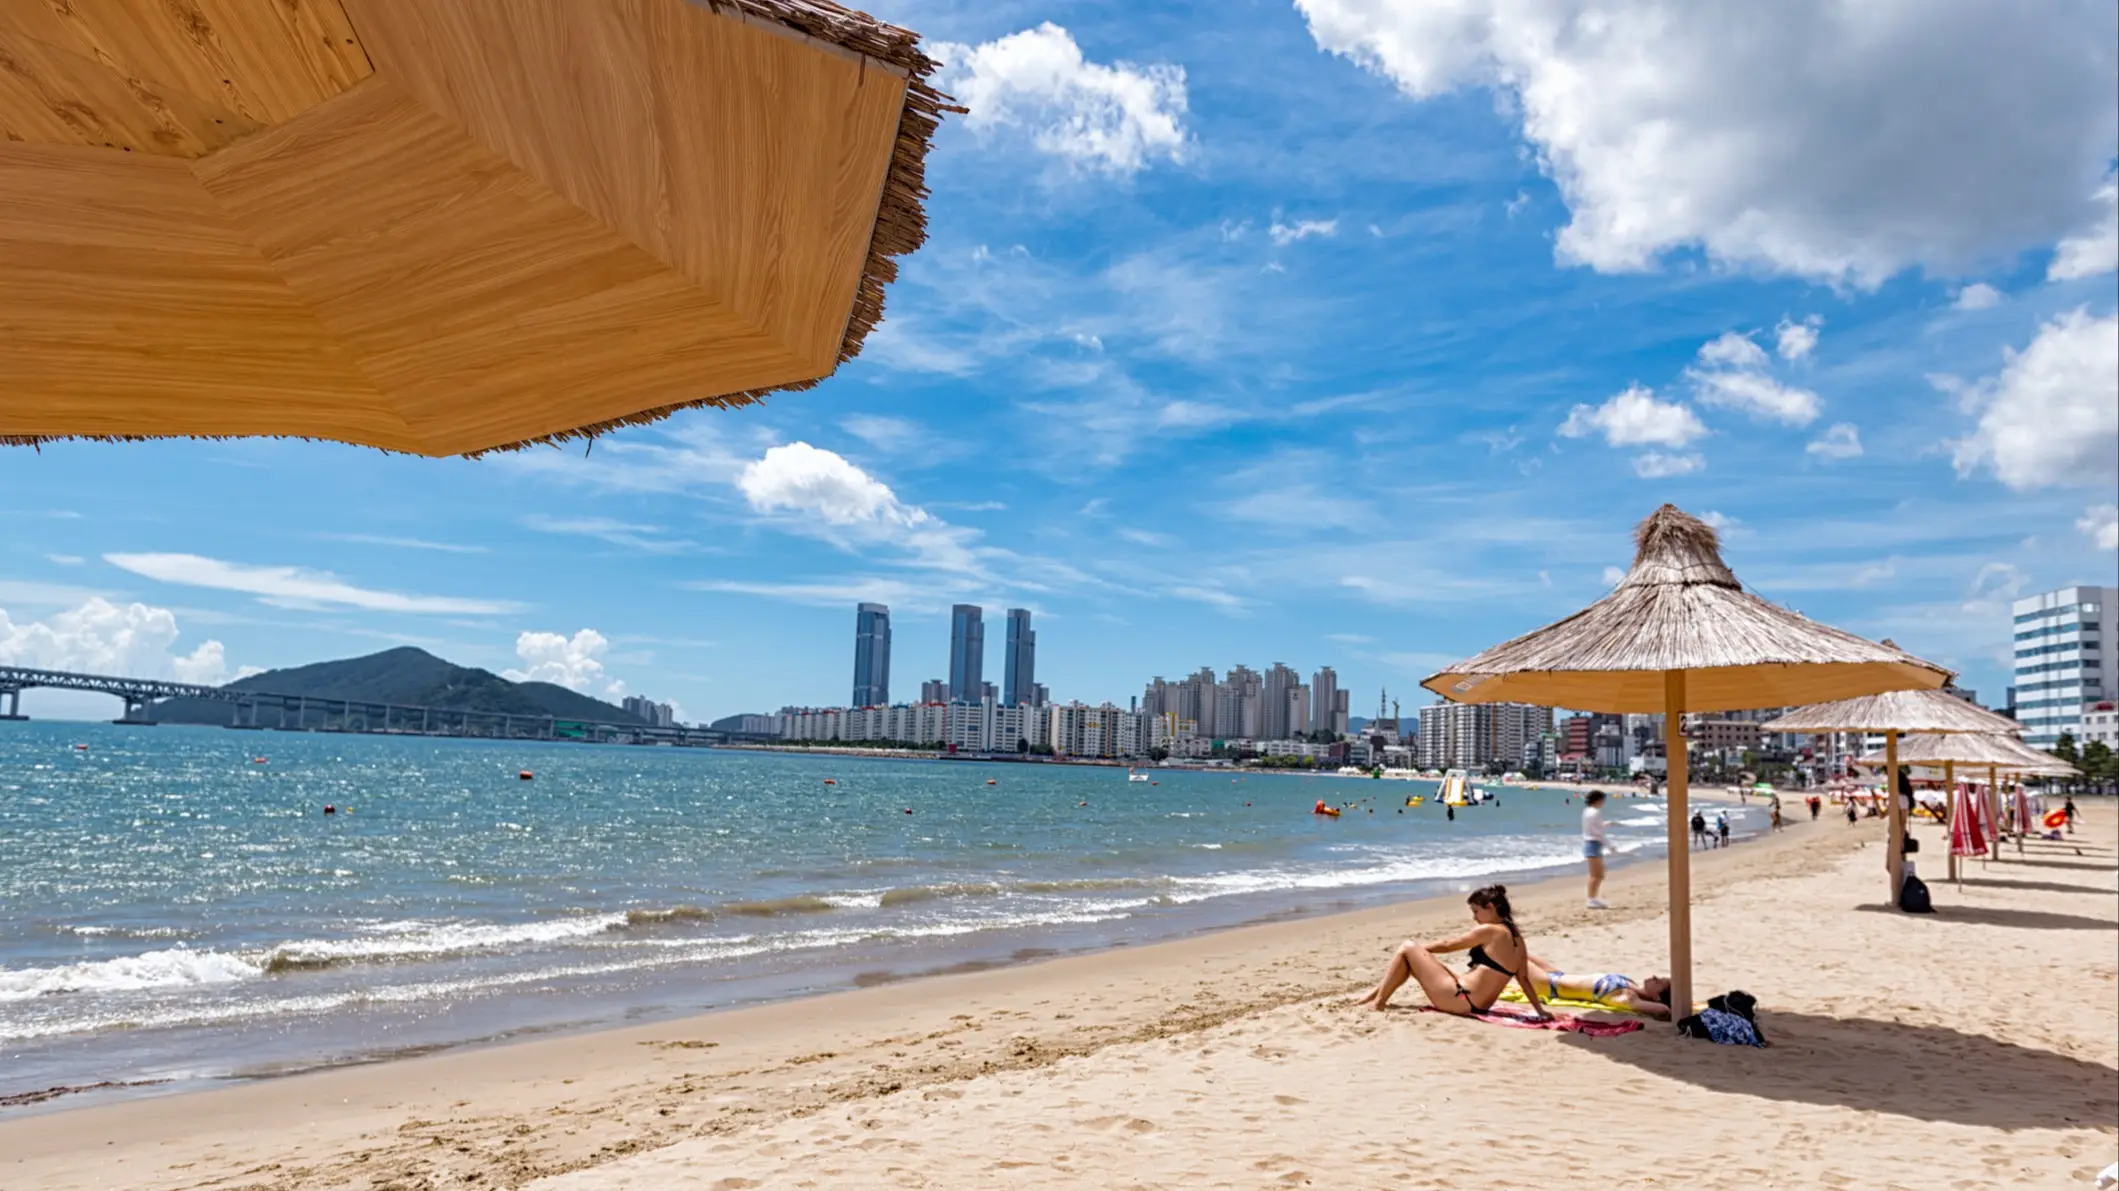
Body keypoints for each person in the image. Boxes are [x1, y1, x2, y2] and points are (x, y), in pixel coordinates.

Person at [1352, 885, 1549, 1019]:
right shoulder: (1517, 938)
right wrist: (1539, 1011)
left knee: (1407, 948)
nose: (1474, 918)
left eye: (1476, 912)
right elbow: (1523, 979)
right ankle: (1370, 998)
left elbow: (1448, 945)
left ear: (1489, 908)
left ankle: (1377, 1003)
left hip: (1460, 999)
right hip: (1477, 1004)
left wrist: (1419, 949)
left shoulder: (1490, 931)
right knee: (1420, 962)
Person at [1518, 953, 1675, 1020]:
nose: (1655, 977)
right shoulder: (1631, 985)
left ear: (1657, 997)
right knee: (1516, 941)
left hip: (1547, 985)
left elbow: (1664, 1010)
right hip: (1556, 975)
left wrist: (1667, 1007)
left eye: (1660, 982)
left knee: (1509, 952)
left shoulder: (1626, 997)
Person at [1581, 790, 1610, 909]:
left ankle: (1593, 898)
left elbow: (1593, 827)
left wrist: (1604, 824)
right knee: (1597, 874)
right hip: (1593, 843)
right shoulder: (1596, 812)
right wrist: (1609, 845)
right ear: (1598, 800)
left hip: (1589, 843)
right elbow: (1598, 833)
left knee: (1597, 874)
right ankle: (1591, 899)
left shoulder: (1587, 811)